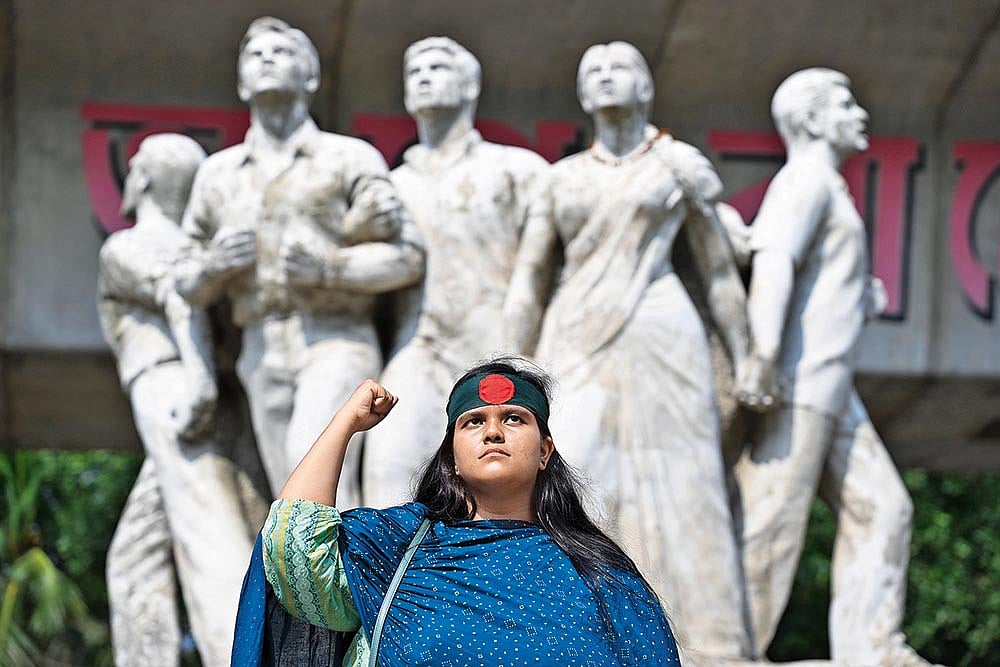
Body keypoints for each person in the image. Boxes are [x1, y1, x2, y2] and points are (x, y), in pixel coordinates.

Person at [501, 42, 753, 663]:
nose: (606, 78)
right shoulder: (560, 178)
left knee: (687, 479)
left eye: (620, 69)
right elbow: (529, 279)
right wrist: (506, 366)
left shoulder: (678, 166)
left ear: (646, 88)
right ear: (581, 94)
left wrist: (748, 357)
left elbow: (719, 270)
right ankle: (579, 635)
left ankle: (706, 642)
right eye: (594, 71)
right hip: (575, 333)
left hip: (662, 329)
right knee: (573, 474)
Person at [232, 358, 681, 666]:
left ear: (545, 451)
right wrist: (345, 423)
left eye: (513, 418)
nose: (493, 432)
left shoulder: (601, 575)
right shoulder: (401, 548)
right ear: (452, 457)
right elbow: (292, 545)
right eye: (474, 422)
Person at [734, 68, 940, 667]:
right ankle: (726, 650)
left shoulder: (826, 185)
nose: (860, 114)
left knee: (885, 507)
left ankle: (871, 647)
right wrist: (763, 356)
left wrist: (857, 294)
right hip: (798, 383)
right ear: (813, 119)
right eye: (846, 104)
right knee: (772, 523)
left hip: (831, 384)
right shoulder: (803, 181)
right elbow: (774, 262)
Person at [178, 17, 424, 505]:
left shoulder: (349, 158)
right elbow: (183, 280)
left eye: (282, 52)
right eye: (255, 55)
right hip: (260, 347)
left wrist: (331, 268)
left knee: (315, 471)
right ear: (241, 83)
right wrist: (212, 267)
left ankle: (350, 560)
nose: (267, 60)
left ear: (311, 78)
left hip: (336, 337)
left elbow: (407, 257)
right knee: (289, 493)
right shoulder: (217, 174)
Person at [362, 37, 549, 508]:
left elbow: (547, 266)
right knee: (388, 472)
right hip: (418, 348)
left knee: (507, 487)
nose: (424, 77)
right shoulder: (391, 186)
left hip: (496, 347)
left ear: (470, 85)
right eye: (414, 71)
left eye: (438, 67)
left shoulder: (517, 170)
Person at [98, 134, 260, 667]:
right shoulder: (199, 253)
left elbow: (176, 296)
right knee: (133, 557)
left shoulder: (128, 247)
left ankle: (240, 655)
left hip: (174, 389)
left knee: (209, 536)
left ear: (141, 179)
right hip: (210, 393)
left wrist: (200, 383)